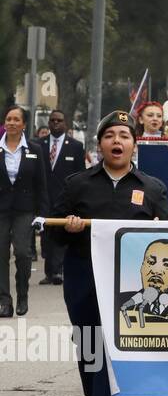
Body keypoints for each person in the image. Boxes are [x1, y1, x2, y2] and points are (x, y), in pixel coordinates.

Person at [49, 110, 168, 396]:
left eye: (124, 136)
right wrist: (70, 227)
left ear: (134, 145)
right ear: (100, 144)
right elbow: (53, 231)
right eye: (109, 136)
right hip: (84, 271)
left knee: (115, 339)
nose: (116, 142)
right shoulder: (78, 184)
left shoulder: (151, 187)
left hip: (128, 277)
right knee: (88, 338)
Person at [1, 106, 49, 317]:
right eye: (8, 119)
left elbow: (42, 185)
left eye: (16, 119)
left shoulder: (35, 149)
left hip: (25, 210)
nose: (11, 122)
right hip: (1, 210)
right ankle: (4, 300)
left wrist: (42, 214)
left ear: (24, 124)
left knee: (22, 252)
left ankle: (22, 294)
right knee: (0, 254)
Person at [38, 108, 84, 286]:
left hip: (65, 198)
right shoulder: (38, 145)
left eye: (59, 121)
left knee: (61, 234)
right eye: (52, 120)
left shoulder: (75, 146)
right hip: (44, 197)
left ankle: (58, 271)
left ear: (65, 124)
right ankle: (49, 272)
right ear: (48, 123)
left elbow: (80, 174)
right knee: (46, 236)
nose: (55, 123)